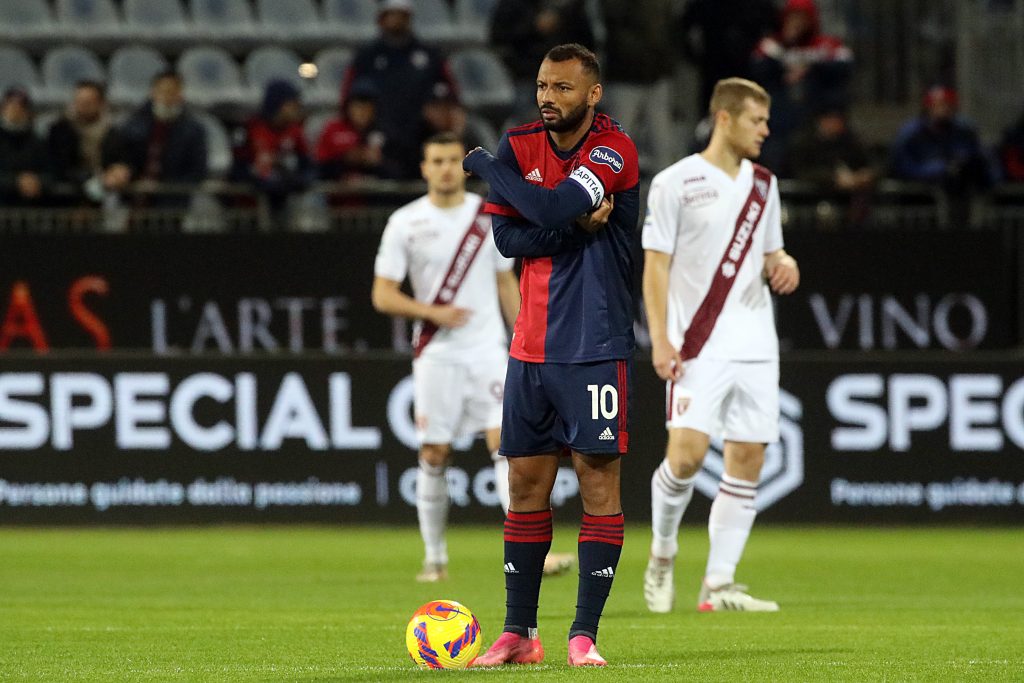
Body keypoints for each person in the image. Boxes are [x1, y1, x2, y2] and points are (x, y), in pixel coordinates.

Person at [463, 43, 640, 667]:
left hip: (595, 342)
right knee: (524, 482)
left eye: (563, 88)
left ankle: (583, 634)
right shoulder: (522, 145)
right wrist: (572, 226)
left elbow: (538, 207)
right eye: (542, 85)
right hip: (530, 347)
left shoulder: (613, 150)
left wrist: (485, 164)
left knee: (597, 482)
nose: (547, 97)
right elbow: (509, 238)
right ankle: (519, 634)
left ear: (592, 94)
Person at [640, 78, 799, 614]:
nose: (766, 130)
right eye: (757, 120)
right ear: (725, 119)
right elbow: (655, 267)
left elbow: (771, 252)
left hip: (756, 341)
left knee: (748, 457)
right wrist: (660, 338)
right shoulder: (674, 183)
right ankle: (662, 556)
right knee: (684, 459)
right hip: (697, 344)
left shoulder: (764, 185)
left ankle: (719, 583)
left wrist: (785, 263)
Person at [371, 132, 521, 583]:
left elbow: (505, 282)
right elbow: (383, 294)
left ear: (465, 165)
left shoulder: (487, 216)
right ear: (424, 167)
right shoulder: (405, 222)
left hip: (488, 350)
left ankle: (529, 552)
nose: (445, 168)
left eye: (453, 160)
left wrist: (522, 338)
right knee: (435, 453)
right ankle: (434, 558)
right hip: (436, 352)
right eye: (436, 160)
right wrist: (433, 312)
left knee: (507, 446)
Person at [340, 0, 460, 179]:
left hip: (421, 135)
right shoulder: (366, 56)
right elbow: (348, 99)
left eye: (401, 15)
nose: (396, 20)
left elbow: (452, 97)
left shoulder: (429, 54)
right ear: (381, 18)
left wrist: (451, 126)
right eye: (392, 14)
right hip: (379, 133)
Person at [750, 0, 853, 169]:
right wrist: (787, 48)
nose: (797, 22)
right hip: (779, 125)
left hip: (816, 122)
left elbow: (845, 67)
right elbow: (758, 70)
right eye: (793, 17)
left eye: (802, 17)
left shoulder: (826, 45)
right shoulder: (772, 46)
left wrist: (811, 69)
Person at [119, 70, 208, 206]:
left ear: (180, 94)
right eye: (163, 91)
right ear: (153, 92)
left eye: (172, 92)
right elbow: (123, 160)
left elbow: (197, 171)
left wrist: (162, 187)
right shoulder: (132, 125)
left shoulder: (193, 131)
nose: (167, 97)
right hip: (133, 199)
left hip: (173, 204)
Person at [233, 79, 314, 223]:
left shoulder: (295, 131)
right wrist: (259, 182)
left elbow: (307, 165)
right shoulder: (250, 128)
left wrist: (298, 181)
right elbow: (237, 169)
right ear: (277, 104)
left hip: (283, 205)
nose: (296, 109)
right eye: (292, 104)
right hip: (247, 209)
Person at [46, 80, 131, 205]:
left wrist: (121, 170)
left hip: (106, 197)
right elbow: (59, 166)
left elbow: (124, 160)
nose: (82, 105)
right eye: (79, 101)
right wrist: (92, 179)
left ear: (101, 103)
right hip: (69, 198)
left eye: (89, 101)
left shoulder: (114, 132)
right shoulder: (60, 131)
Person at [316, 80, 387, 181]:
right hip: (339, 194)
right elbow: (320, 167)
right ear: (348, 107)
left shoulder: (384, 131)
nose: (362, 112)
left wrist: (378, 163)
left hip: (374, 194)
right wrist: (346, 159)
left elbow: (399, 171)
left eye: (368, 108)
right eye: (358, 107)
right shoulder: (333, 130)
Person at [0, 87, 49, 206]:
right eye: (11, 106)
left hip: (32, 209)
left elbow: (52, 173)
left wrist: (38, 181)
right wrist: (16, 182)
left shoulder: (38, 141)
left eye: (21, 107)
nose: (15, 110)